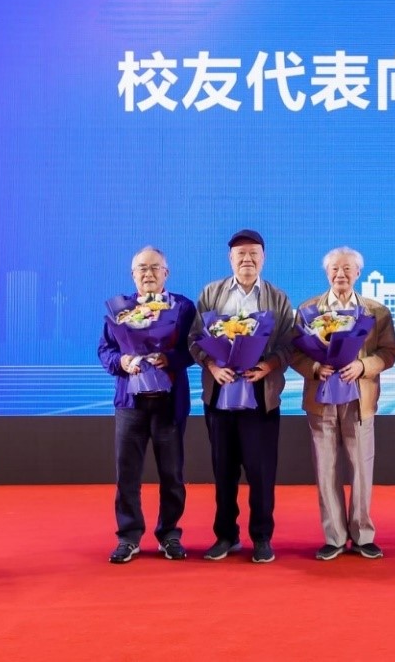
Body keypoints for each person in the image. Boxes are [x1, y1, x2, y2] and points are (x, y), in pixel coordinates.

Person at [189, 229, 294, 564]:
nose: (247, 260)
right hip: (220, 396)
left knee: (261, 472)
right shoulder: (211, 293)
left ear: (263, 258)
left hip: (261, 397)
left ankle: (261, 537)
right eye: (240, 254)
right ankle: (226, 535)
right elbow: (194, 338)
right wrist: (211, 365)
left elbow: (290, 344)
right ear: (230, 258)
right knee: (224, 471)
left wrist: (268, 365)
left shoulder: (277, 298)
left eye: (253, 254)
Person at [290, 247, 395, 561]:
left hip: (359, 399)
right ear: (327, 273)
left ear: (358, 273)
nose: (341, 274)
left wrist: (363, 366)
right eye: (335, 269)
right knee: (326, 469)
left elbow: (389, 352)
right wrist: (315, 367)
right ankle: (334, 536)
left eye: (347, 269)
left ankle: (363, 534)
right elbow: (294, 352)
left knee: (362, 468)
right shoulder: (308, 309)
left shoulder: (376, 311)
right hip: (321, 400)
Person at [98, 246, 197, 563]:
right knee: (127, 474)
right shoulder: (119, 310)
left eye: (155, 268)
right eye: (142, 268)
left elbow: (194, 349)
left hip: (169, 404)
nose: (148, 273)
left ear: (166, 273)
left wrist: (168, 358)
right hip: (131, 403)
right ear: (133, 275)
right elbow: (105, 350)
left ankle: (169, 534)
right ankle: (128, 537)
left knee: (172, 474)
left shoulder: (183, 308)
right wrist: (122, 362)